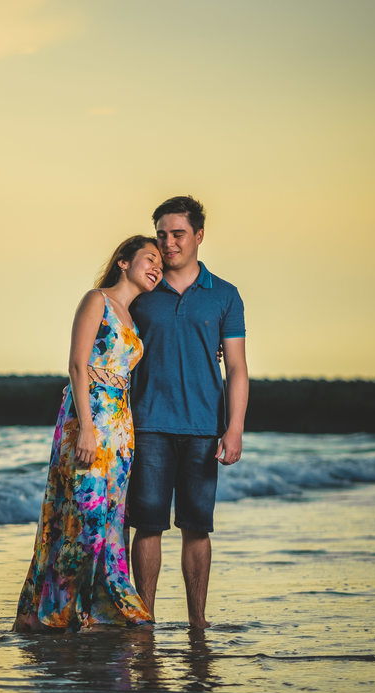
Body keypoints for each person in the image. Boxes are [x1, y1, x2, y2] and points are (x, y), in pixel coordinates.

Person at [13, 235, 163, 632]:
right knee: (83, 517)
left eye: (161, 265)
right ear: (123, 263)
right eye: (149, 258)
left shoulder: (135, 317)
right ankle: (55, 612)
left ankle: (99, 610)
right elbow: (78, 365)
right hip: (89, 420)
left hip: (121, 431)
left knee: (112, 521)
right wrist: (86, 429)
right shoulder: (97, 299)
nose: (156, 268)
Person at [128, 196, 249, 629]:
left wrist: (233, 429)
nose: (168, 243)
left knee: (197, 528)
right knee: (148, 527)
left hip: (203, 428)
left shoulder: (225, 295)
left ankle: (199, 621)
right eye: (161, 234)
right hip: (147, 426)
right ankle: (144, 619)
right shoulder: (141, 292)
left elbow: (236, 367)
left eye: (177, 233)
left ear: (198, 235)